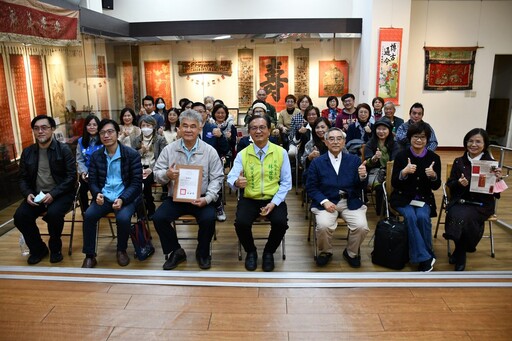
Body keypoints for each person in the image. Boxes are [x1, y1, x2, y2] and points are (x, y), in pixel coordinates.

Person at [152, 109, 224, 270]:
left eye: (193, 126)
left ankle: (203, 252)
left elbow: (217, 178)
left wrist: (208, 199)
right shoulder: (170, 149)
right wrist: (167, 174)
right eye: (185, 126)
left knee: (208, 219)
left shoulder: (209, 151)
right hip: (176, 198)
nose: (189, 130)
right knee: (158, 218)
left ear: (200, 129)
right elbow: (156, 174)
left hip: (202, 197)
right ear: (179, 128)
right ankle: (176, 251)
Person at [227, 115, 292, 272]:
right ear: (249, 132)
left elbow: (286, 182)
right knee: (241, 223)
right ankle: (251, 251)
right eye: (254, 128)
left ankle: (269, 252)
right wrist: (236, 182)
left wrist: (274, 203)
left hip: (273, 198)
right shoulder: (243, 154)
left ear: (269, 130)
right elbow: (232, 176)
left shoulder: (280, 152)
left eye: (262, 127)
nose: (258, 131)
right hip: (250, 198)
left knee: (281, 223)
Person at [14, 115, 76, 265]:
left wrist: (53, 194)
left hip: (60, 193)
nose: (40, 131)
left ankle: (55, 248)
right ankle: (38, 249)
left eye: (44, 128)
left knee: (54, 214)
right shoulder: (28, 152)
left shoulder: (63, 150)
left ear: (52, 129)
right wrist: (27, 194)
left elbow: (71, 177)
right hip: (37, 194)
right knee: (20, 217)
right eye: (36, 128)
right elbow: (22, 178)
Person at [81, 119, 143, 268]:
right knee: (88, 216)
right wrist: (96, 194)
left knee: (122, 218)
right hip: (104, 196)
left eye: (110, 132)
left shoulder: (131, 155)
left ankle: (121, 250)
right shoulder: (97, 156)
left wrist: (122, 198)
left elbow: (136, 184)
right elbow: (93, 181)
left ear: (118, 133)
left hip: (125, 197)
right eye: (102, 133)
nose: (106, 135)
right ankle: (90, 255)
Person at [306, 127, 369, 267]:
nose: (335, 142)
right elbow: (311, 187)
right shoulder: (317, 162)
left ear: (344, 142)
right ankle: (326, 251)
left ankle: (351, 252)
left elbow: (361, 187)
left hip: (350, 201)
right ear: (326, 142)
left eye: (339, 139)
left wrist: (363, 176)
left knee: (361, 226)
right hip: (326, 202)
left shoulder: (353, 160)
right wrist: (324, 201)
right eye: (331, 139)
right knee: (323, 226)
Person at [444, 128, 502, 271]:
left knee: (466, 218)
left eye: (478, 141)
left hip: (482, 204)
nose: (473, 144)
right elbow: (450, 184)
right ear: (465, 142)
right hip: (462, 201)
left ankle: (460, 251)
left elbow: (497, 193)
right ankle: (460, 250)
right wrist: (458, 183)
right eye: (470, 141)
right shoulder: (459, 161)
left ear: (485, 144)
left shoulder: (491, 164)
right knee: (455, 215)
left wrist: (497, 179)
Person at [390, 121, 441, 272]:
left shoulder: (434, 158)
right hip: (402, 198)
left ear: (427, 139)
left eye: (423, 137)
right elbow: (395, 183)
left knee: (423, 217)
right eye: (415, 137)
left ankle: (424, 254)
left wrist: (433, 176)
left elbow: (436, 186)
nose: (419, 140)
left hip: (423, 199)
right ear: (410, 138)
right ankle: (426, 257)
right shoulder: (401, 156)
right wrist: (403, 173)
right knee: (411, 217)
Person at [192, 101, 229, 221]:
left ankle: (218, 205)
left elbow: (225, 149)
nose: (198, 114)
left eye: (201, 112)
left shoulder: (213, 128)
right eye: (195, 112)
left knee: (213, 177)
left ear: (206, 114)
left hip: (211, 165)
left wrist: (221, 136)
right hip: (192, 165)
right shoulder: (187, 129)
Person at [131, 115, 167, 218]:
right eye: (143, 125)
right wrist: (141, 151)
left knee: (145, 182)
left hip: (154, 168)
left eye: (148, 125)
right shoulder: (136, 140)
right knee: (136, 182)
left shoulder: (160, 139)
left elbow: (162, 158)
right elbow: (132, 157)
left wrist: (151, 169)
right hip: (139, 167)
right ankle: (141, 209)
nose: (146, 128)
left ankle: (150, 206)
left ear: (154, 126)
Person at [363, 118, 400, 215]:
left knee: (396, 185)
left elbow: (395, 162)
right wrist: (374, 158)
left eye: (384, 129)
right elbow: (367, 163)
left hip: (390, 172)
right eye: (379, 129)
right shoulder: (370, 144)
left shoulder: (394, 144)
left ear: (389, 130)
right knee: (380, 188)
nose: (381, 132)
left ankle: (394, 211)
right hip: (374, 172)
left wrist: (388, 172)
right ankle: (383, 213)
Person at [76, 114, 103, 213]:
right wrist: (83, 172)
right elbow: (79, 159)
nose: (92, 127)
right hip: (86, 173)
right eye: (89, 125)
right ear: (85, 127)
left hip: (101, 173)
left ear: (99, 126)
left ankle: (94, 209)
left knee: (96, 188)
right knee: (81, 188)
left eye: (94, 125)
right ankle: (85, 211)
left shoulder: (104, 140)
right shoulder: (81, 141)